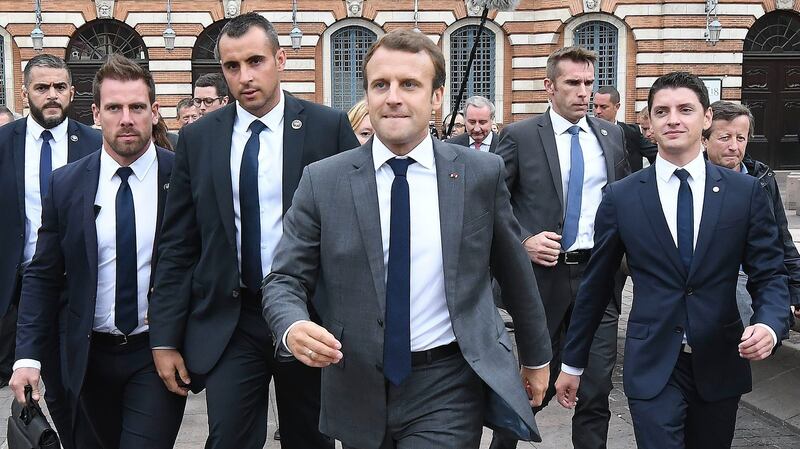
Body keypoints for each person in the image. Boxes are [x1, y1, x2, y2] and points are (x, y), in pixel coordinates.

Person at [262, 28, 552, 449]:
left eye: (409, 84)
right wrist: (292, 325)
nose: (393, 97)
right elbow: (284, 278)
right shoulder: (324, 181)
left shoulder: (478, 174)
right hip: (355, 381)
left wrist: (536, 355)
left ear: (436, 97)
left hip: (447, 383)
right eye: (381, 85)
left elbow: (513, 269)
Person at [148, 12, 359, 449]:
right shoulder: (199, 138)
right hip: (232, 318)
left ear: (280, 59)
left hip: (308, 314)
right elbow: (178, 244)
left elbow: (358, 229)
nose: (244, 76)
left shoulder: (326, 127)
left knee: (311, 438)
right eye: (232, 66)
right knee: (227, 438)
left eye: (256, 61)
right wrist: (165, 338)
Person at [555, 71, 790, 449]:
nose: (673, 119)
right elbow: (597, 286)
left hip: (720, 361)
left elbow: (769, 274)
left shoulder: (744, 193)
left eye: (685, 109)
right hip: (653, 365)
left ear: (707, 118)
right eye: (661, 111)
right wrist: (573, 363)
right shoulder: (622, 197)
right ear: (649, 122)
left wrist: (770, 324)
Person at [10, 54, 185, 449]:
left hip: (154, 354)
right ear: (95, 113)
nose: (127, 118)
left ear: (155, 112)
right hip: (84, 357)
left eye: (137, 107)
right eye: (114, 108)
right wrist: (27, 358)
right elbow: (43, 274)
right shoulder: (67, 184)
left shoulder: (181, 178)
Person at [492, 47, 629, 449]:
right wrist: (522, 240)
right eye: (573, 83)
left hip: (598, 277)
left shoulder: (611, 135)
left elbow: (622, 198)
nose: (583, 92)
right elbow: (492, 202)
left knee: (597, 387)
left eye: (588, 83)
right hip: (543, 279)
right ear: (549, 86)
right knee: (532, 388)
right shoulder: (519, 136)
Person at [0, 53, 101, 448]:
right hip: (19, 285)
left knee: (71, 388)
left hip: (76, 285)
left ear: (73, 92)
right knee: (26, 380)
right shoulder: (4, 144)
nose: (52, 95)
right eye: (42, 88)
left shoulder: (94, 143)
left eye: (60, 87)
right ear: (25, 93)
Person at [702, 100, 800, 326]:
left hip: (760, 278)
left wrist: (797, 290)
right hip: (716, 286)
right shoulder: (693, 181)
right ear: (704, 140)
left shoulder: (763, 178)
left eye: (741, 138)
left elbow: (781, 238)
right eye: (724, 137)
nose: (734, 146)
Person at [594, 85, 657, 171]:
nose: (598, 111)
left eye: (603, 107)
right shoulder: (586, 132)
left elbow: (657, 156)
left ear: (617, 107)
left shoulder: (631, 132)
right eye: (595, 106)